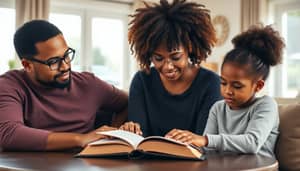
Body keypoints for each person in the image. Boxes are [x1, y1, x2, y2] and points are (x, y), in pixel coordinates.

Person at [0, 20, 128, 151]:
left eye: (66, 55)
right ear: (27, 65)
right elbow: (9, 134)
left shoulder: (90, 84)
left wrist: (112, 134)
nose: (65, 66)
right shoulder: (9, 85)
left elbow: (127, 102)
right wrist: (81, 139)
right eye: (54, 62)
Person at [166, 25, 285, 158]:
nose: (228, 91)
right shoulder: (218, 108)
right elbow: (207, 149)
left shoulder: (265, 105)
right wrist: (182, 143)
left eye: (237, 86)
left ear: (258, 86)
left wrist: (205, 140)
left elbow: (252, 143)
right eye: (223, 83)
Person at [120, 0, 222, 137]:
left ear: (189, 49)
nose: (168, 66)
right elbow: (139, 136)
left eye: (176, 57)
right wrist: (131, 130)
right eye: (158, 58)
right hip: (149, 157)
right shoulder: (142, 81)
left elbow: (205, 139)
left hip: (196, 158)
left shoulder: (211, 83)